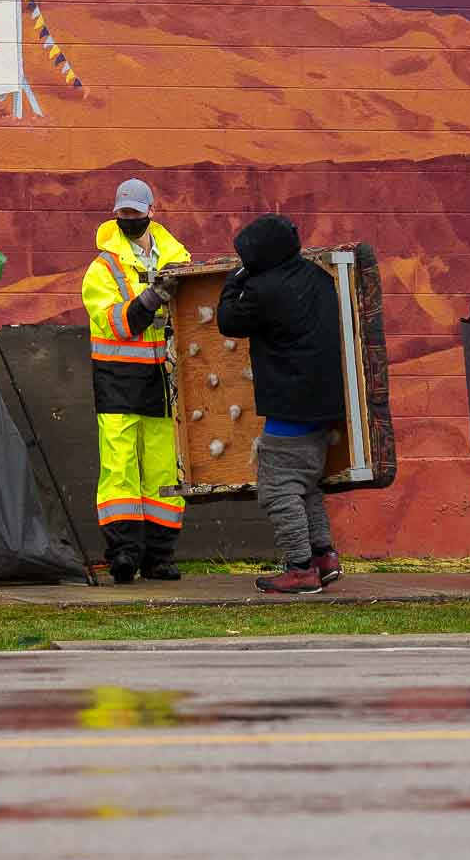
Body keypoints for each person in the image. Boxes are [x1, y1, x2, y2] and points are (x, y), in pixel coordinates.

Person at [216, 214, 346, 595]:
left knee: (277, 489)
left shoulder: (264, 290)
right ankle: (324, 557)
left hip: (290, 403)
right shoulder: (319, 277)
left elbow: (227, 320)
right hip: (322, 403)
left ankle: (300, 569)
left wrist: (232, 280)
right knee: (305, 485)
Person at [81, 178, 190, 583]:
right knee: (119, 468)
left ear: (150, 212)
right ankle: (123, 554)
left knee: (163, 469)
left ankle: (159, 556)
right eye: (122, 213)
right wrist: (150, 299)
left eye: (134, 212)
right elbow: (113, 321)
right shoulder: (103, 267)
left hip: (163, 379)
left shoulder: (178, 258)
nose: (127, 218)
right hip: (118, 379)